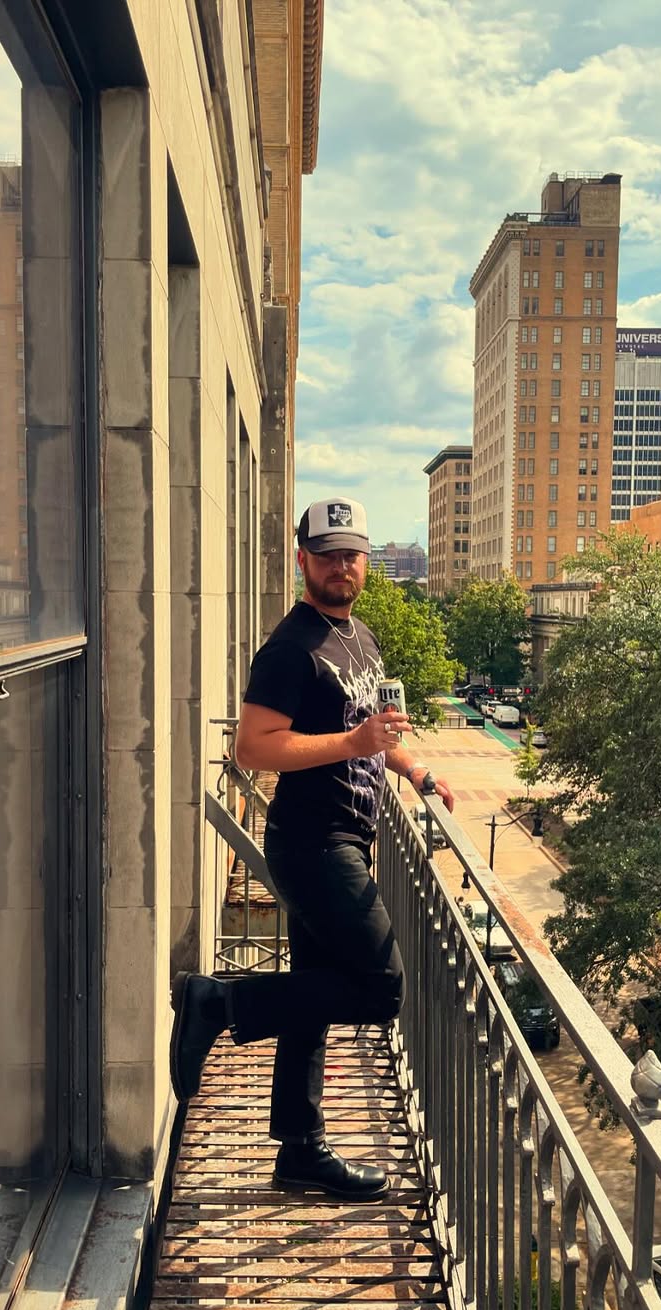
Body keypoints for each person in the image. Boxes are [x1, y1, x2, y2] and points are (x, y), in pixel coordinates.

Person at [169, 496, 454, 1199]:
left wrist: (415, 769)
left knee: (315, 993)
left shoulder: (360, 637)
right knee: (381, 989)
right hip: (314, 843)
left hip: (348, 833)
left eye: (351, 554)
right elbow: (254, 747)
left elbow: (375, 733)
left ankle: (301, 1149)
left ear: (365, 560)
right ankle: (218, 1005)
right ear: (303, 560)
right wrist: (354, 743)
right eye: (327, 555)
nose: (340, 567)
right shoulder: (290, 648)